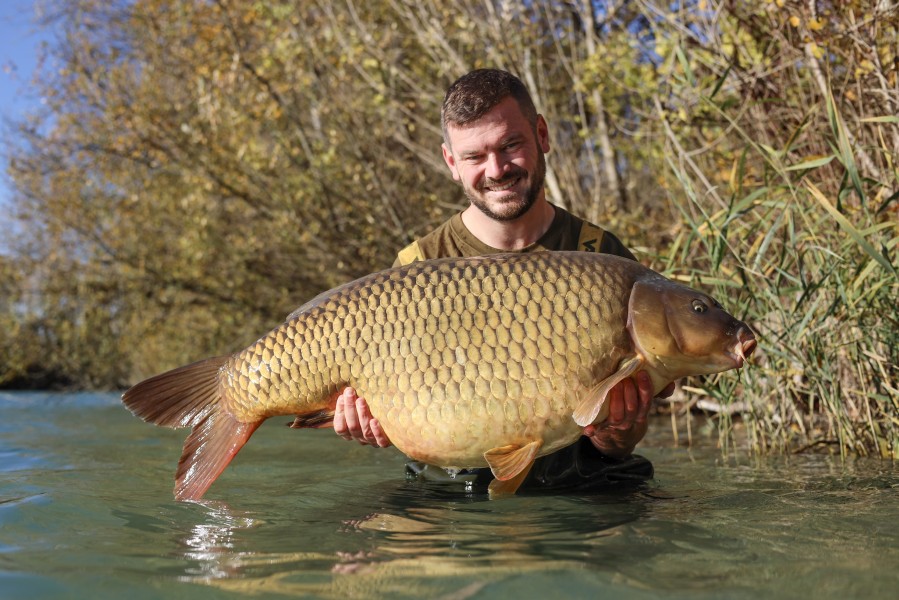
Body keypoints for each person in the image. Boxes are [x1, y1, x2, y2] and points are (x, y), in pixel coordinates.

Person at [333, 68, 673, 491]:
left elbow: (623, 442)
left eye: (510, 145)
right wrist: (371, 425)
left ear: (542, 135)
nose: (496, 170)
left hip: (577, 492)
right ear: (451, 163)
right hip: (452, 498)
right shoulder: (418, 265)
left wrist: (615, 433)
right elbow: (400, 419)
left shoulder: (602, 257)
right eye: (475, 157)